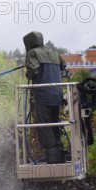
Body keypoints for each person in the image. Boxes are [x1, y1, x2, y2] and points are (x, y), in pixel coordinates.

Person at [23, 31, 67, 164]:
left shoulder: (33, 53)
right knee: (55, 122)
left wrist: (28, 72)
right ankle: (60, 150)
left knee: (44, 124)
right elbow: (63, 67)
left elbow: (33, 72)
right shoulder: (54, 52)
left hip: (43, 94)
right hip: (57, 94)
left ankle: (52, 155)